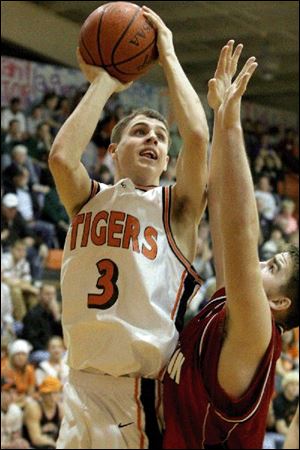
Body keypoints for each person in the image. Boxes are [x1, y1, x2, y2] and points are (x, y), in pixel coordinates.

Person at [49, 6, 209, 449]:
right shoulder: (87, 196)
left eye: (160, 137)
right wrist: (105, 82)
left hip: (136, 394)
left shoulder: (176, 208)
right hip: (80, 385)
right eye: (141, 132)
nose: (154, 140)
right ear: (115, 151)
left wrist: (169, 56)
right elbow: (62, 158)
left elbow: (197, 137)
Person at [163, 40, 299, 449]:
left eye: (272, 268)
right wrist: (222, 115)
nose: (258, 263)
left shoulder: (257, 331)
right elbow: (223, 214)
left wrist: (231, 123)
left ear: (279, 304)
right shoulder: (230, 308)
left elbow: (241, 230)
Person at [23, 376, 63, 449]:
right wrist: (57, 446)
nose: (52, 397)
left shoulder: (61, 409)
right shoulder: (34, 408)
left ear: (59, 393)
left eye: (55, 393)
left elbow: (65, 434)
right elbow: (36, 439)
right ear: (42, 394)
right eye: (48, 393)